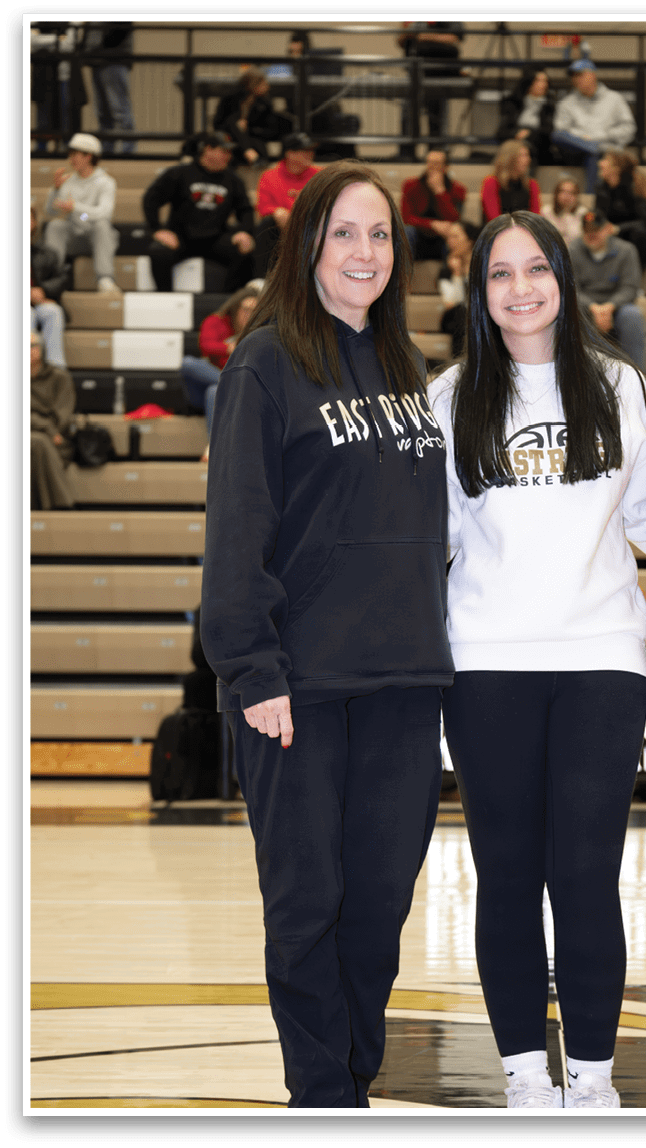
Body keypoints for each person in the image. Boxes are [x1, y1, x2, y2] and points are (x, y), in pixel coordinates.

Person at [200, 161, 453, 1108]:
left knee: (380, 906)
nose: (365, 252)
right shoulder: (265, 361)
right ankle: (322, 1099)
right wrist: (251, 667)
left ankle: (352, 1081)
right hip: (294, 688)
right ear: (306, 245)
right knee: (309, 905)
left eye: (380, 235)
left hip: (403, 680)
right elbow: (238, 526)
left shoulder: (406, 368)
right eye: (344, 232)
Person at [428, 210, 646, 1109]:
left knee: (586, 872)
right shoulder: (448, 399)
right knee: (508, 873)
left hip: (601, 659)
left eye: (536, 269)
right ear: (479, 292)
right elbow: (432, 539)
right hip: (484, 663)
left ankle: (594, 1080)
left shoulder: (622, 389)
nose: (519, 288)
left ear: (565, 282)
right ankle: (527, 1076)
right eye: (499, 273)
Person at [142, 132, 256, 293]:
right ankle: (166, 298)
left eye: (229, 152)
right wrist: (157, 230)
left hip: (215, 238)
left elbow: (245, 210)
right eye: (224, 151)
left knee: (245, 249)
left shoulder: (233, 180)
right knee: (159, 252)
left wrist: (244, 232)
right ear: (208, 150)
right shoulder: (180, 173)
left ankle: (228, 302)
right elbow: (151, 199)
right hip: (181, 237)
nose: (228, 156)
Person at [180, 283, 260, 453]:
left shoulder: (259, 331)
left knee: (215, 391)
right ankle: (230, 383)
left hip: (229, 391)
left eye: (254, 310)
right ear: (235, 307)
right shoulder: (216, 321)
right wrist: (229, 348)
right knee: (188, 363)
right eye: (245, 309)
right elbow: (205, 346)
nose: (249, 315)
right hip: (206, 385)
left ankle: (213, 448)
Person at [42, 131, 120, 295]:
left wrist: (76, 207)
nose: (73, 158)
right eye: (71, 154)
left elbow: (104, 213)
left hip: (95, 233)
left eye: (78, 154)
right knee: (55, 225)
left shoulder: (106, 182)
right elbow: (50, 211)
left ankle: (105, 278)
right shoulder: (68, 181)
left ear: (89, 156)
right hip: (74, 229)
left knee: (101, 225)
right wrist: (56, 190)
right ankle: (52, 276)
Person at [568, 209, 646, 370]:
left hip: (617, 307)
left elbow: (630, 288)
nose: (592, 235)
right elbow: (571, 288)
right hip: (585, 307)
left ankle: (638, 374)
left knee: (632, 315)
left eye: (596, 230)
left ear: (608, 229)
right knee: (571, 314)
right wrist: (593, 308)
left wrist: (609, 307)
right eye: (587, 230)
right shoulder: (573, 250)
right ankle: (580, 375)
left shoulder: (626, 250)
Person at [551, 60, 636, 192]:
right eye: (573, 76)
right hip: (576, 151)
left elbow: (629, 129)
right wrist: (586, 139)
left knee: (593, 156)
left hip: (606, 150)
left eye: (580, 75)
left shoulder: (614, 99)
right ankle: (595, 149)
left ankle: (591, 196)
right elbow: (561, 130)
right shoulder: (567, 103)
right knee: (558, 135)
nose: (575, 79)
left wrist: (601, 136)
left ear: (592, 75)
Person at [253, 131, 320, 277]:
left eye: (310, 151)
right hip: (281, 230)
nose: (310, 154)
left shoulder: (319, 176)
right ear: (290, 153)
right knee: (267, 224)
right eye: (304, 151)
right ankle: (261, 280)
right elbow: (263, 207)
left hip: (309, 228)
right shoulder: (270, 176)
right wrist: (277, 211)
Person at [396, 21, 464, 149]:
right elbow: (400, 42)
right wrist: (407, 33)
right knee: (409, 113)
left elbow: (453, 38)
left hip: (439, 72)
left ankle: (436, 153)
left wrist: (423, 36)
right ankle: (406, 153)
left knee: (436, 116)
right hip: (414, 71)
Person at [30, 330, 76, 510]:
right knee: (36, 442)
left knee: (37, 444)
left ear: (42, 349)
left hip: (59, 439)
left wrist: (51, 430)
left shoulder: (59, 377)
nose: (29, 351)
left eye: (33, 346)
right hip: (44, 434)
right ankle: (61, 506)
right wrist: (47, 427)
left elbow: (63, 415)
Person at [212, 66, 291, 167]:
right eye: (263, 84)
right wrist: (238, 128)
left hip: (253, 137)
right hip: (229, 135)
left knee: (251, 141)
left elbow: (269, 129)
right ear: (253, 84)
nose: (267, 87)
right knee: (233, 122)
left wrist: (247, 128)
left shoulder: (264, 103)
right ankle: (248, 151)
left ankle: (248, 151)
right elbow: (218, 123)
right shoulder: (229, 99)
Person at [77, 21, 136, 155]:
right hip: (97, 61)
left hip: (114, 60)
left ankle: (128, 151)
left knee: (119, 109)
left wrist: (97, 48)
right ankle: (106, 150)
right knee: (103, 112)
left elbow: (121, 29)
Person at [400, 149, 467, 263]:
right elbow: (407, 218)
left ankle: (449, 276)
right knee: (407, 232)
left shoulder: (458, 189)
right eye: (429, 162)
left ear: (446, 167)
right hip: (419, 234)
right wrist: (432, 224)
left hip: (443, 237)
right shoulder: (411, 185)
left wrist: (440, 191)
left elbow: (455, 220)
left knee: (456, 235)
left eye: (436, 163)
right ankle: (403, 275)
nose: (432, 167)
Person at [595, 149, 646, 268]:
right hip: (613, 236)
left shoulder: (634, 185)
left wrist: (617, 228)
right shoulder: (601, 188)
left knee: (639, 234)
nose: (600, 163)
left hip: (636, 240)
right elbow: (599, 215)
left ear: (616, 168)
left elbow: (644, 222)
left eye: (605, 160)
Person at [31, 207, 69, 368]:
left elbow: (62, 279)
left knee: (53, 312)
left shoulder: (46, 253)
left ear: (34, 223)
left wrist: (44, 290)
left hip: (41, 303)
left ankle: (55, 371)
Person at [497, 68, 555, 170]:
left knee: (525, 152)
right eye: (538, 80)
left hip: (540, 148)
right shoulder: (512, 103)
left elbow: (549, 132)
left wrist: (529, 133)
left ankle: (524, 182)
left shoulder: (550, 106)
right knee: (514, 152)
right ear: (528, 82)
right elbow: (500, 133)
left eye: (545, 81)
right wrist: (516, 134)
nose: (543, 84)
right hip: (514, 145)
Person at [437, 220, 479, 358]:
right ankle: (460, 365)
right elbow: (451, 302)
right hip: (455, 318)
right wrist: (456, 274)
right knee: (462, 313)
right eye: (449, 237)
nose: (450, 242)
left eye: (455, 237)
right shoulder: (445, 270)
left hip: (477, 314)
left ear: (470, 241)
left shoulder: (484, 266)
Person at [481, 139, 541, 222]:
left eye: (527, 155)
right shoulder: (491, 182)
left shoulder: (532, 184)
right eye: (522, 155)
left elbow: (535, 217)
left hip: (524, 231)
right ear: (509, 158)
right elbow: (494, 218)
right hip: (498, 231)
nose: (528, 159)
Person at [539, 175, 584, 246]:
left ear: (577, 196)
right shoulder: (546, 211)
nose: (567, 196)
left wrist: (568, 213)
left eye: (571, 193)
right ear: (556, 194)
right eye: (563, 191)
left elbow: (580, 239)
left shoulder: (582, 213)